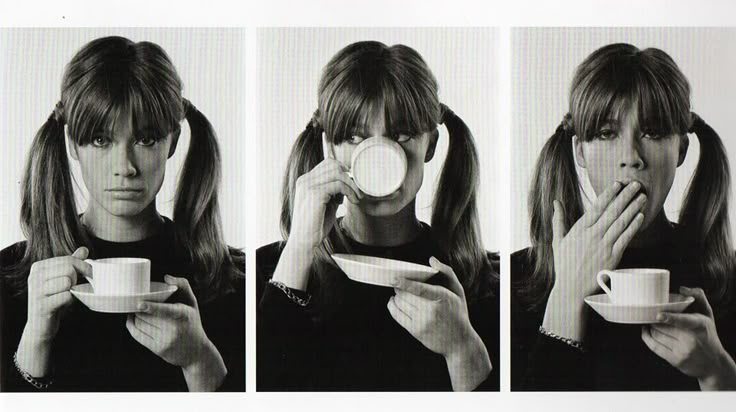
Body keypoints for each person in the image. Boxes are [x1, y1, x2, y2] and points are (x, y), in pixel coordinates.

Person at [0, 36, 245, 392]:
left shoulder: (231, 280)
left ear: (172, 141)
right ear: (72, 143)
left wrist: (200, 360)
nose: (125, 167)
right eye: (101, 140)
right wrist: (34, 341)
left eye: (146, 139)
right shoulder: (10, 277)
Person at [256, 41, 499, 391]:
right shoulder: (271, 272)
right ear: (329, 147)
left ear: (430, 144)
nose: (382, 156)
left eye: (402, 135)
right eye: (355, 137)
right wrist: (298, 249)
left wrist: (464, 351)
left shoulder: (484, 282)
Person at [511, 42, 736, 391]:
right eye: (606, 133)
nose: (631, 157)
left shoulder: (728, 279)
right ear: (580, 152)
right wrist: (565, 301)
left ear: (681, 150)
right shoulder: (515, 281)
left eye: (653, 132)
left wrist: (719, 375)